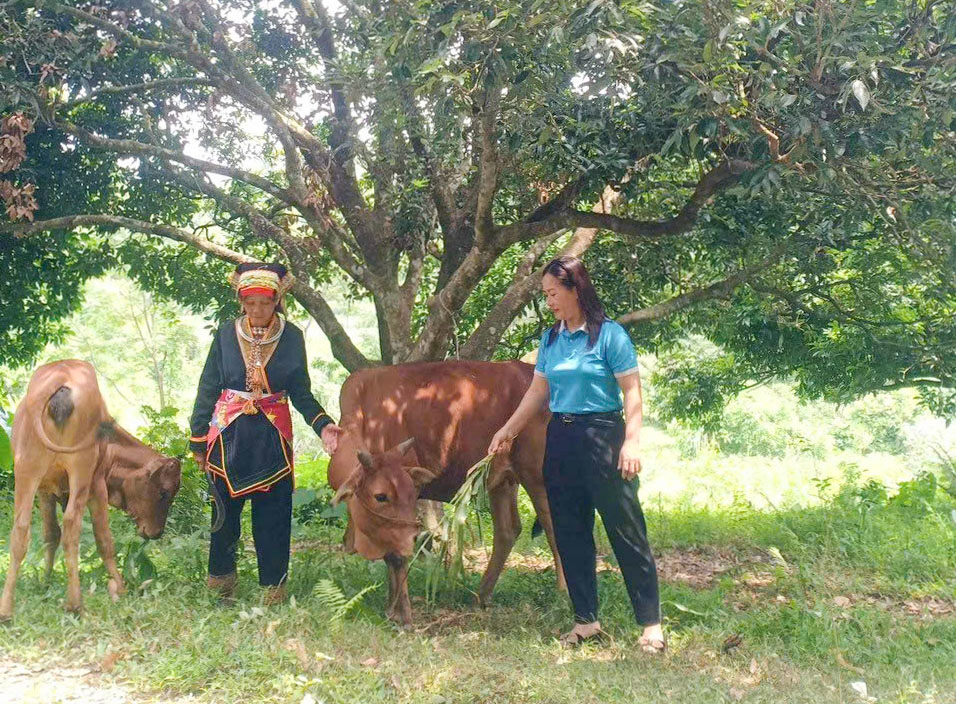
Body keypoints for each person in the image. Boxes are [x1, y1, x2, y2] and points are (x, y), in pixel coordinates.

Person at [488, 256, 664, 651]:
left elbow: (632, 391)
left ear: (575, 289)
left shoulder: (610, 335)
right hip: (561, 439)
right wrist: (507, 430)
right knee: (570, 533)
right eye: (545, 295)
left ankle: (651, 625)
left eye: (553, 293)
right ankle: (586, 621)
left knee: (627, 531)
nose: (549, 301)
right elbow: (538, 392)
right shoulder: (551, 339)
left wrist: (632, 442)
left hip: (604, 436)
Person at [189, 262, 343, 604]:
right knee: (223, 516)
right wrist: (198, 438)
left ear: (277, 301)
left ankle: (273, 591)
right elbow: (208, 385)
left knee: (272, 519)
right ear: (241, 301)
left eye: (265, 302)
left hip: (272, 439)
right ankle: (221, 588)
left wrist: (323, 424)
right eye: (251, 302)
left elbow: (301, 392)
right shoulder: (226, 334)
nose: (258, 309)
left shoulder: (292, 338)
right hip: (228, 437)